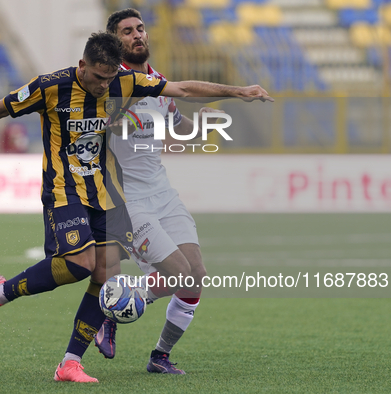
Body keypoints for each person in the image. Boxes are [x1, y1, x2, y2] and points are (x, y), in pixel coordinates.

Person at [0, 31, 271, 383]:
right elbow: (0, 109)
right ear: (82, 66)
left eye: (109, 78)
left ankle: (69, 363)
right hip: (64, 190)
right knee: (81, 264)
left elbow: (182, 90)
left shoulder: (124, 82)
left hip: (104, 195)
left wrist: (239, 92)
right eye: (97, 78)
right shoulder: (50, 86)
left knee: (103, 274)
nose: (103, 86)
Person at [95, 9, 272, 375]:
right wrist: (239, 91)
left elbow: (176, 118)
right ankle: (112, 308)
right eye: (127, 32)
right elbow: (187, 89)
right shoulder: (112, 84)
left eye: (140, 28)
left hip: (162, 192)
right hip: (128, 201)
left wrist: (205, 129)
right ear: (116, 42)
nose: (137, 35)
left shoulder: (158, 82)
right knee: (177, 273)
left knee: (196, 275)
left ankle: (159, 355)